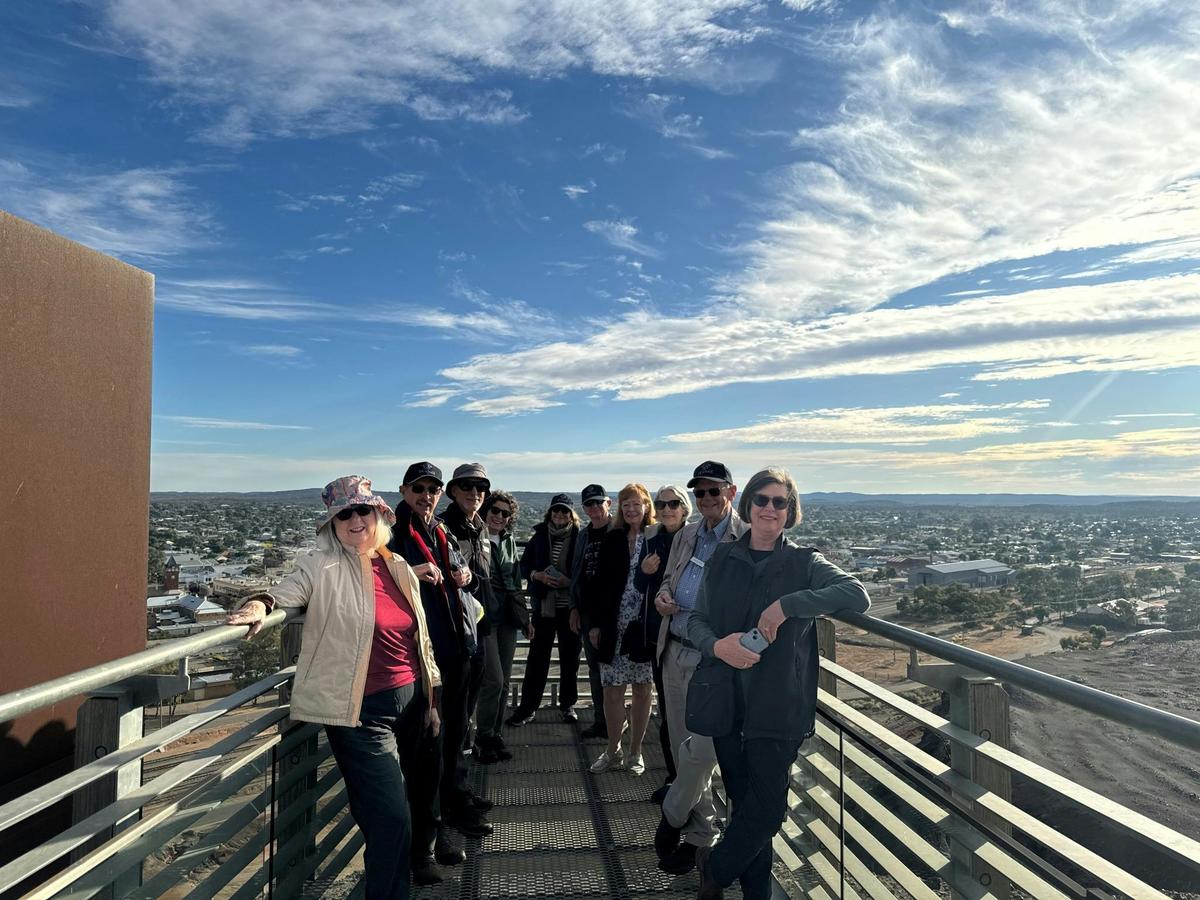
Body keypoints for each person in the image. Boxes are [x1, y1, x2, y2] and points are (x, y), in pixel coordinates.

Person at [225, 476, 441, 900]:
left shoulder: (396, 565)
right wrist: (260, 602)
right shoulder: (319, 564)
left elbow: (422, 641)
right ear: (332, 523)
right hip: (358, 713)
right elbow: (287, 590)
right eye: (344, 513)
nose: (355, 519)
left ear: (379, 514)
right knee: (391, 817)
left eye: (363, 510)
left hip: (414, 701)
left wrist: (432, 700)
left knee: (398, 808)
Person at [687, 467, 871, 900]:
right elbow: (696, 621)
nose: (770, 508)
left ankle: (714, 867)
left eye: (780, 502)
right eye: (762, 500)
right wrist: (719, 647)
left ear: (791, 511)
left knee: (767, 811)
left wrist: (788, 604)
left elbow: (856, 594)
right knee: (745, 808)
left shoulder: (804, 562)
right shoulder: (721, 558)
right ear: (747, 504)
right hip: (727, 701)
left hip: (778, 706)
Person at [388, 462, 493, 876]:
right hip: (420, 659)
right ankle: (421, 849)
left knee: (450, 742)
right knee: (425, 752)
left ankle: (442, 826)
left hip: (455, 652)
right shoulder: (394, 533)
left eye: (432, 489)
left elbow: (466, 585)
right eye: (419, 488)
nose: (426, 495)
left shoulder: (442, 532)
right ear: (404, 489)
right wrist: (409, 573)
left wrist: (465, 576)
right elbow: (374, 580)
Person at [653, 461, 746, 876]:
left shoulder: (746, 537)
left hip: (714, 658)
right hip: (674, 647)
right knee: (680, 745)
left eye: (714, 491)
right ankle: (699, 834)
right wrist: (664, 596)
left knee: (702, 751)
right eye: (700, 493)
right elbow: (669, 581)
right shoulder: (687, 534)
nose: (706, 499)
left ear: (732, 491)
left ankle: (676, 817)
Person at [583, 483, 657, 776]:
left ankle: (635, 752)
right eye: (626, 504)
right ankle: (612, 750)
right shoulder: (612, 538)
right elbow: (598, 584)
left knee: (642, 690)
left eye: (636, 504)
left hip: (645, 625)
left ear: (647, 506)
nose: (631, 510)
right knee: (612, 690)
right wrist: (596, 624)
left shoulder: (657, 537)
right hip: (614, 624)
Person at [633, 484, 692, 804]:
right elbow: (640, 586)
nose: (667, 508)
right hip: (659, 635)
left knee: (691, 712)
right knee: (670, 711)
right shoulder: (652, 537)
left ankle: (695, 778)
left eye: (673, 503)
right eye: (661, 503)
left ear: (684, 508)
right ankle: (675, 778)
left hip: (688, 632)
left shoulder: (697, 536)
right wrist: (644, 571)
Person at [439, 463, 495, 770]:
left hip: (479, 623)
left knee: (472, 692)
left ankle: (460, 764)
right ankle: (452, 771)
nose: (475, 492)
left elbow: (483, 576)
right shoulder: (444, 526)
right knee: (456, 704)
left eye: (481, 488)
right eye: (467, 487)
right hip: (456, 628)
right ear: (452, 492)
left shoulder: (481, 525)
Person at [509, 494, 582, 725]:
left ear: (571, 514)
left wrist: (568, 582)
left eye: (564, 512)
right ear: (549, 513)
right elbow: (524, 566)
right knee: (537, 659)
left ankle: (568, 705)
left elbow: (585, 572)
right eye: (556, 511)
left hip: (570, 609)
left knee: (570, 659)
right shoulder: (539, 536)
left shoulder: (581, 537)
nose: (559, 515)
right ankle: (528, 708)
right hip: (544, 607)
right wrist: (537, 575)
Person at [475, 489, 530, 760]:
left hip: (508, 619)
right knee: (493, 680)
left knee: (505, 681)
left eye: (505, 513)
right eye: (494, 510)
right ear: (484, 510)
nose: (499, 516)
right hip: (485, 619)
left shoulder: (507, 541)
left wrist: (525, 618)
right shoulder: (475, 537)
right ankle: (482, 737)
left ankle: (495, 735)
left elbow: (515, 582)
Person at [569, 483, 613, 740]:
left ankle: (615, 722)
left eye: (599, 502)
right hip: (587, 611)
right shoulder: (584, 536)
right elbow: (577, 573)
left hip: (611, 612)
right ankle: (602, 721)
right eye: (589, 504)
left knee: (613, 668)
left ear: (609, 503)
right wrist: (574, 608)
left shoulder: (619, 532)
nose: (594, 508)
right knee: (595, 669)